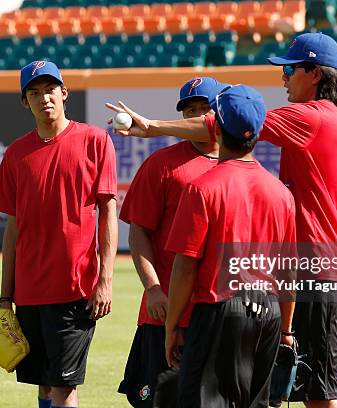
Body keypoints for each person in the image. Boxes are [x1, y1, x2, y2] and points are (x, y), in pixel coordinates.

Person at [106, 32, 337, 408]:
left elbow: (232, 124)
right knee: (322, 386)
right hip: (320, 267)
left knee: (322, 394)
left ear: (315, 74)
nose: (283, 77)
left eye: (290, 69)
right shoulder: (332, 121)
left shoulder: (311, 117)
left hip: (314, 269)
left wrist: (153, 126)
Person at [0, 60, 118, 408]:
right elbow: (12, 227)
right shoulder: (17, 154)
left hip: (75, 287)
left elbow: (108, 211)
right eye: (34, 92)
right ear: (24, 102)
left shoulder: (94, 140)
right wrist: (6, 298)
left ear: (65, 93)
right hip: (29, 291)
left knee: (64, 388)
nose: (44, 97)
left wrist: (105, 279)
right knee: (44, 386)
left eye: (50, 89)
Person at [164, 84, 297, 408]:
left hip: (219, 309)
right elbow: (288, 273)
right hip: (267, 312)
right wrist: (286, 330)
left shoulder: (202, 189)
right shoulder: (281, 194)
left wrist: (173, 325)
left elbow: (185, 267)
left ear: (217, 128)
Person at [117, 77, 227, 407]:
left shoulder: (241, 166)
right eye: (189, 110)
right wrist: (151, 287)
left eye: (204, 110)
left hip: (219, 313)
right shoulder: (161, 165)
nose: (196, 117)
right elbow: (138, 232)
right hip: (164, 310)